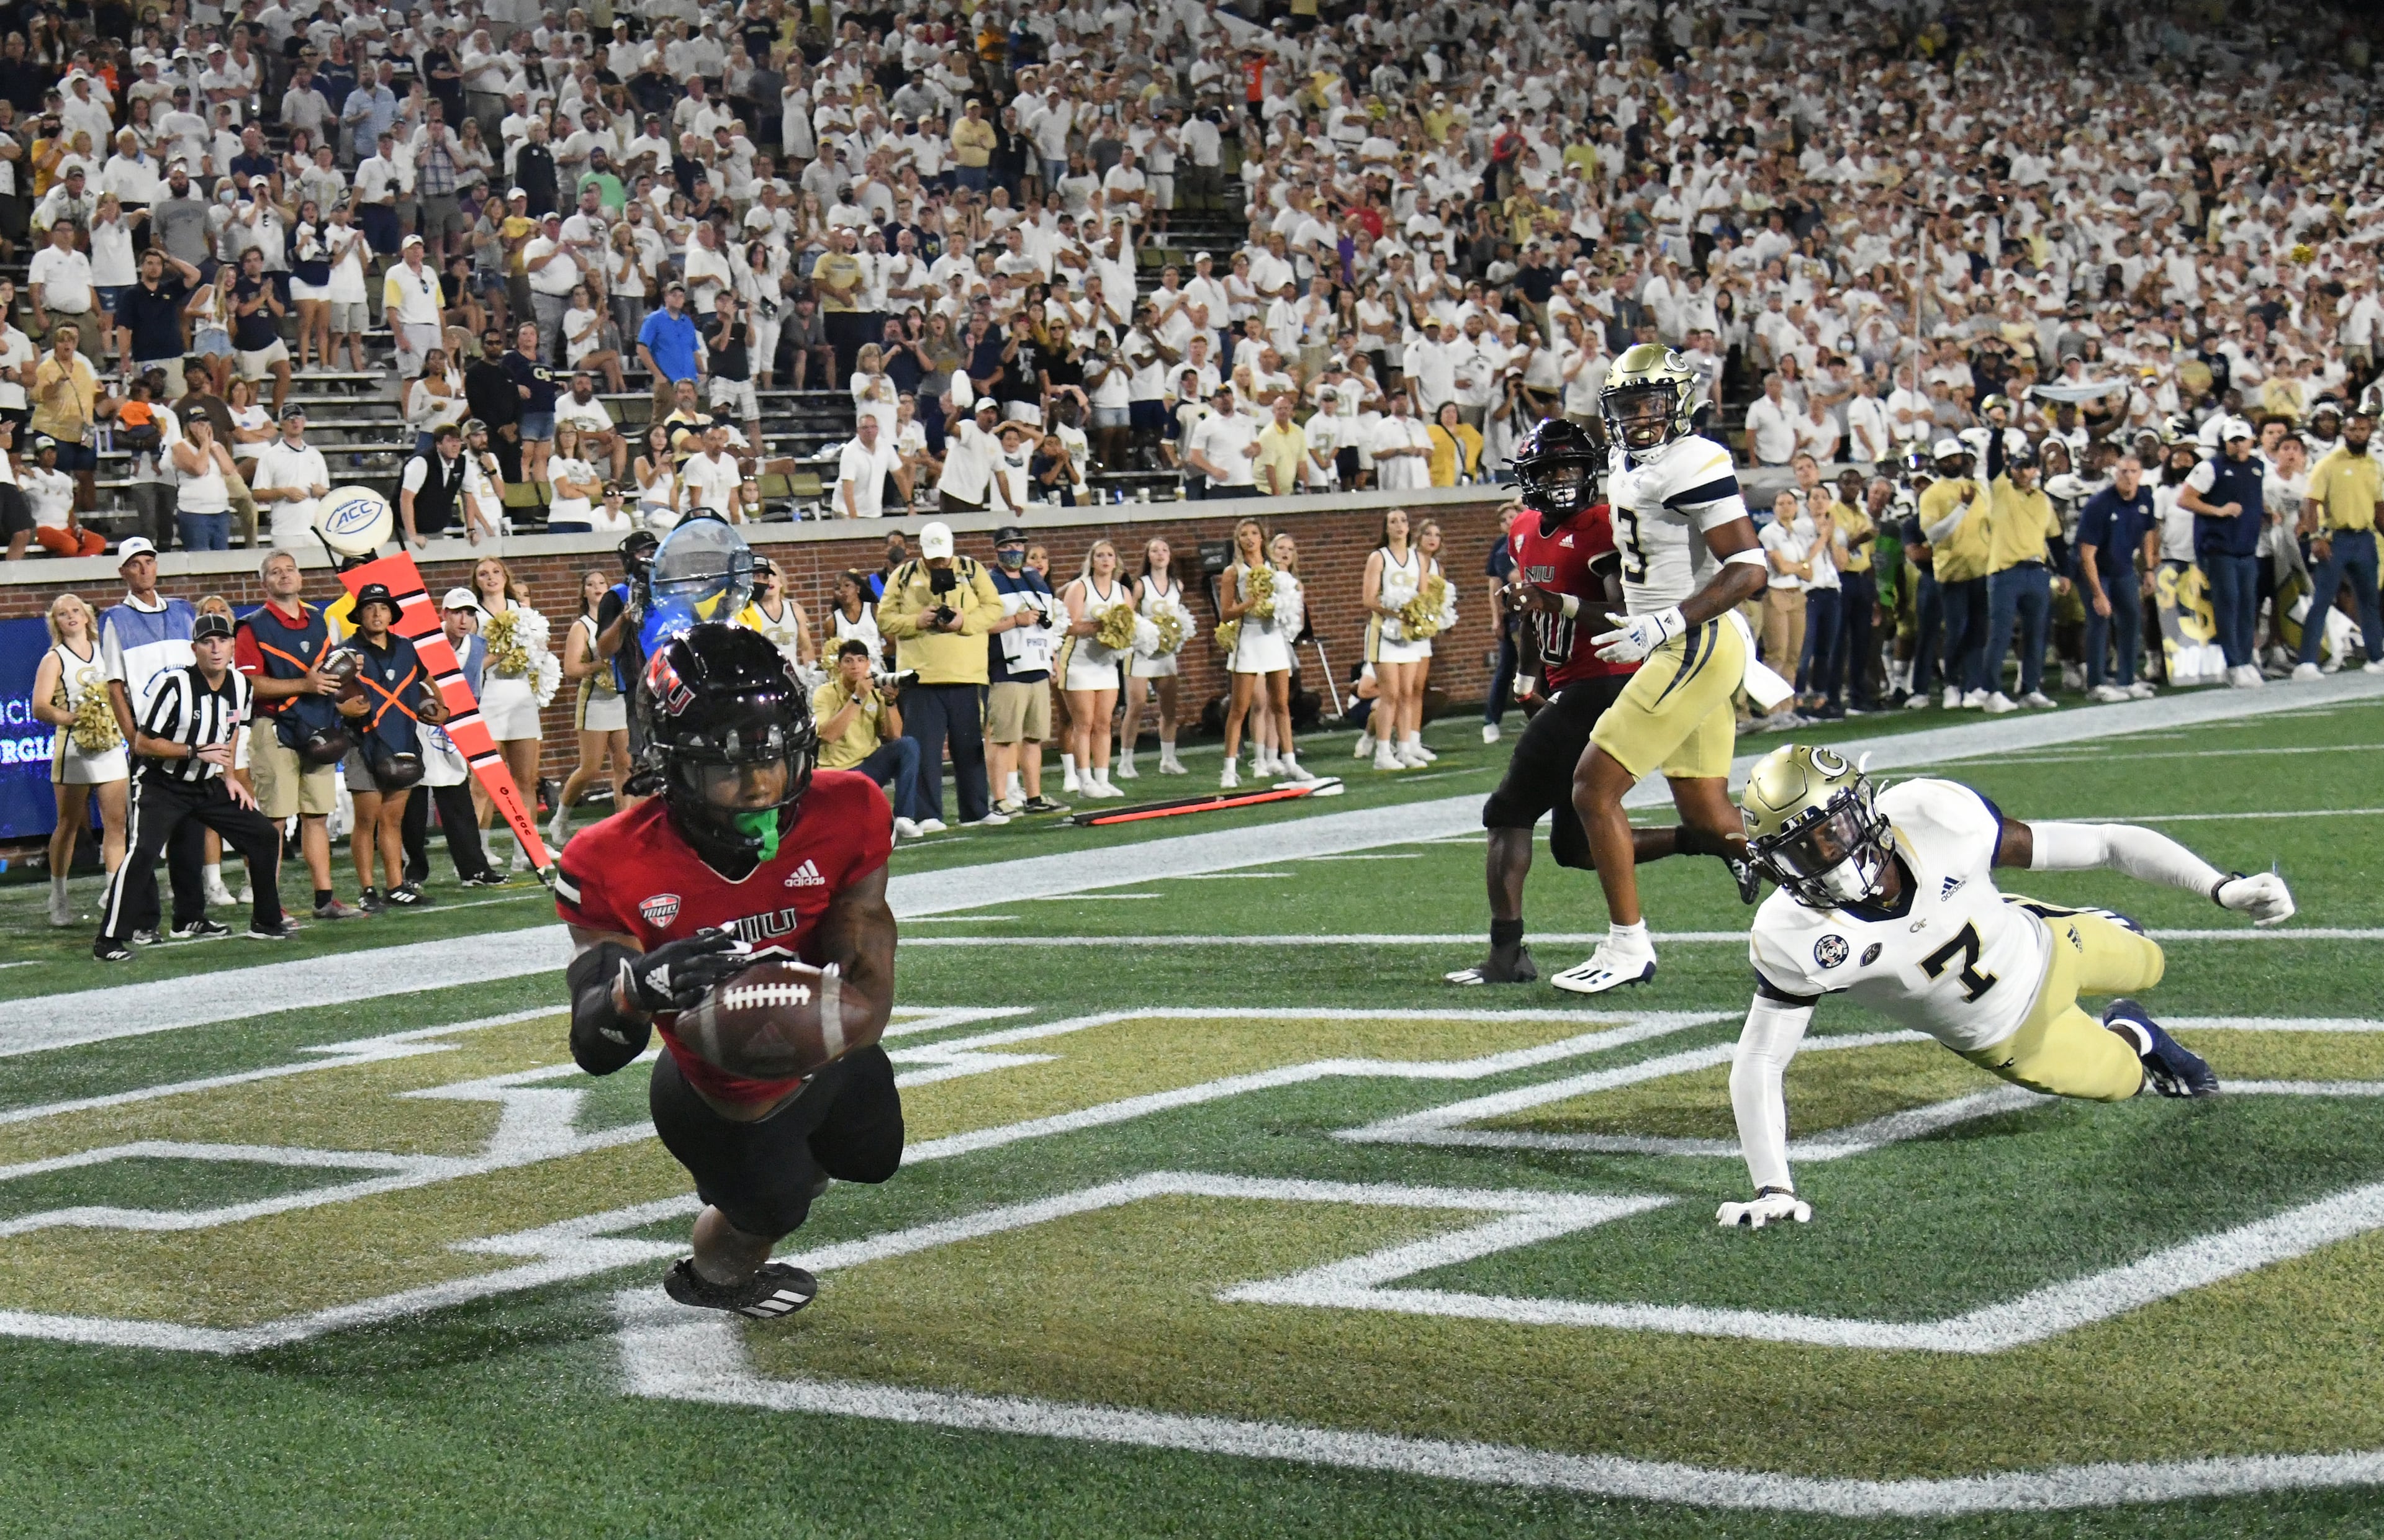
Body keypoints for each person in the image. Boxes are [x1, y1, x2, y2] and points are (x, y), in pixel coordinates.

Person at [1717, 744, 2295, 1227]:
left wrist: (2221, 887)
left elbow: (2106, 843)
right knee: (2124, 1081)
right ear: (1773, 863)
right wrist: (1774, 1188)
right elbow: (1761, 1058)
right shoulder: (1795, 935)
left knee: (2150, 961)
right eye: (1802, 848)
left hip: (2042, 942)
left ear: (1863, 806)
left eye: (1833, 830)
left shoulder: (1935, 818)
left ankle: (2082, 925)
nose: (1830, 856)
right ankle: (2133, 1031)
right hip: (2007, 1035)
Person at [556, 623, 903, 1320]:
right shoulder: (608, 859)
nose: (758, 783)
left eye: (774, 757)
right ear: (672, 765)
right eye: (727, 765)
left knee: (874, 1157)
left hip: (827, 1051)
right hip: (721, 1093)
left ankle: (784, 1166)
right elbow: (595, 1046)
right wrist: (635, 989)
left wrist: (833, 1017)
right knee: (771, 1211)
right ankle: (710, 1280)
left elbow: (867, 942)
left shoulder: (850, 808)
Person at [1557, 344, 1771, 996]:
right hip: (1670, 641)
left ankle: (1628, 946)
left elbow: (1751, 570)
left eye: (1652, 403)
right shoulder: (1625, 459)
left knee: (1593, 789)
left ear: (1680, 404)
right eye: (1626, 405)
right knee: (1710, 820)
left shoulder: (1696, 460)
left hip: (1695, 641)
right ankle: (1847, 897)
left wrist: (1665, 623)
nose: (1639, 418)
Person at [1446, 424, 1635, 984]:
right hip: (1566, 687)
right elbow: (1532, 610)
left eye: (1571, 468)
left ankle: (1507, 955)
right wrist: (1527, 677)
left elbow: (1626, 615)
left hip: (1607, 684)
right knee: (1574, 845)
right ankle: (1698, 838)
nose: (1561, 480)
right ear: (1529, 478)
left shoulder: (1602, 526)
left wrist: (1559, 602)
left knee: (1507, 809)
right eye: (1550, 470)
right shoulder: (1524, 530)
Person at [93, 610, 291, 958]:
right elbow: (142, 743)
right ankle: (109, 939)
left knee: (262, 835)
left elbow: (232, 732)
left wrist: (230, 777)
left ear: (233, 646)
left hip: (206, 785)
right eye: (207, 642)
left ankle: (265, 921)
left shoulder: (242, 686)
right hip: (161, 783)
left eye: (223, 641)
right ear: (194, 649)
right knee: (143, 853)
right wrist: (193, 750)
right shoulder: (175, 686)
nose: (216, 649)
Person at [233, 548, 363, 922]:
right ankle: (268, 906)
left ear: (301, 577)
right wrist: (304, 684)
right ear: (265, 583)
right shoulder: (251, 625)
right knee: (274, 821)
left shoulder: (320, 620)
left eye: (290, 569)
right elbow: (249, 684)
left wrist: (347, 686)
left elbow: (331, 675)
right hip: (274, 728)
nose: (285, 576)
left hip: (319, 724)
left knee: (317, 815)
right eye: (276, 572)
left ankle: (325, 898)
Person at [99, 537, 202, 942]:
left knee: (190, 834)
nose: (144, 569)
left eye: (149, 561)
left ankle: (189, 916)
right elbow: (115, 686)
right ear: (123, 572)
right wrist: (134, 739)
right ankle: (143, 921)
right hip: (152, 742)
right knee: (145, 840)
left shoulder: (184, 611)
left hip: (189, 738)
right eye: (135, 564)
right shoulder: (114, 619)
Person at [875, 520, 1002, 828]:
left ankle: (976, 810)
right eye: (933, 558)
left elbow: (994, 608)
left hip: (967, 675)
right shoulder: (903, 576)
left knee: (970, 747)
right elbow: (885, 618)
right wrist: (916, 621)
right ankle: (927, 814)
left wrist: (964, 622)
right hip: (921, 678)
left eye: (943, 557)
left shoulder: (972, 571)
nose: (939, 563)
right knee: (925, 751)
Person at [336, 582, 450, 912]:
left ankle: (396, 885)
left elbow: (427, 681)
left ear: (392, 614)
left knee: (393, 819)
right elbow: (330, 692)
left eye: (383, 607)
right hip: (364, 743)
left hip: (402, 740)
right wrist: (342, 709)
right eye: (370, 608)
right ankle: (367, 889)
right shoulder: (346, 652)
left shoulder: (406, 647)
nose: (377, 613)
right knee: (366, 820)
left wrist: (440, 708)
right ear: (358, 615)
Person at [400, 590, 505, 892]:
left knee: (459, 804)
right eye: (457, 612)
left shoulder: (477, 647)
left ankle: (474, 868)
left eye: (470, 613)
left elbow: (474, 693)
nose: (464, 619)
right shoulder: (421, 646)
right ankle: (414, 871)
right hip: (420, 729)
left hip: (454, 732)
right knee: (414, 808)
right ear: (443, 614)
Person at [31, 592, 127, 926]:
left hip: (112, 747)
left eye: (75, 611)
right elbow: (40, 706)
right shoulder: (54, 659)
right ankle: (58, 896)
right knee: (69, 825)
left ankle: (114, 894)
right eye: (61, 613)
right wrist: (76, 718)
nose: (70, 616)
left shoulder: (107, 652)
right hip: (74, 749)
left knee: (116, 825)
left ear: (87, 617)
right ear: (55, 623)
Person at [469, 555, 554, 873]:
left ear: (505, 576)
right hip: (488, 698)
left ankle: (526, 852)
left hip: (521, 698)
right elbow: (471, 665)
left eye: (495, 572)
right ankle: (478, 853)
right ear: (476, 581)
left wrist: (534, 654)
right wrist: (502, 654)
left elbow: (541, 655)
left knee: (526, 781)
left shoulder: (525, 613)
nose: (490, 578)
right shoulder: (473, 615)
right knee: (483, 783)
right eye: (483, 574)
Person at [1217, 516, 1310, 788]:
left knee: (1281, 704)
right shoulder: (1233, 572)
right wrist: (1250, 603)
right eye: (1244, 534)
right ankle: (1229, 770)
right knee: (1239, 708)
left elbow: (1289, 601)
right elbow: (1225, 613)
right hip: (1248, 639)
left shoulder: (1275, 569)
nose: (1249, 538)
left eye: (1254, 533)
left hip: (1274, 640)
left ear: (1262, 538)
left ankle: (1290, 763)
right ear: (1238, 541)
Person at [2293, 410, 2383, 680]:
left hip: (2364, 537)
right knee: (2322, 598)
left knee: (2369, 600)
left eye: (2363, 430)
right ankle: (2306, 662)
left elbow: (2379, 509)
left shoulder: (2373, 465)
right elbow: (2311, 502)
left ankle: (2377, 656)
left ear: (2370, 432)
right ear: (2345, 431)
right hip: (2336, 537)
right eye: (2354, 430)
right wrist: (2316, 536)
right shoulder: (2328, 464)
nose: (2358, 434)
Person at [983, 526, 1062, 816]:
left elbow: (1048, 624)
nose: (1014, 551)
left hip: (1037, 664)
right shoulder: (989, 582)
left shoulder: (1036, 579)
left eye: (1018, 545)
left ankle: (1034, 796)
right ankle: (1000, 798)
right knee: (1003, 737)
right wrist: (1016, 620)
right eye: (1008, 546)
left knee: (1033, 737)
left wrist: (1053, 658)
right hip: (1007, 667)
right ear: (997, 550)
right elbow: (981, 625)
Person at [551, 569, 631, 849]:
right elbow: (571, 668)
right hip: (594, 700)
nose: (597, 588)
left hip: (620, 699)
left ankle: (624, 823)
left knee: (625, 765)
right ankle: (560, 818)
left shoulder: (620, 619)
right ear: (583, 592)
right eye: (590, 584)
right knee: (590, 767)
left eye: (602, 583)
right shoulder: (581, 626)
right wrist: (601, 666)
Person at [813, 637, 923, 837]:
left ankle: (904, 818)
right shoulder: (825, 694)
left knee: (909, 745)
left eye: (860, 660)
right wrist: (857, 698)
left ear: (868, 664)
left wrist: (890, 703)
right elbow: (829, 735)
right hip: (838, 772)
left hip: (869, 767)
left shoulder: (875, 691)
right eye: (848, 661)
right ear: (839, 666)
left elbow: (895, 736)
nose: (855, 666)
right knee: (852, 829)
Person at [1057, 538, 1131, 799]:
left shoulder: (1123, 592)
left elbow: (1130, 626)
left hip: (1106, 664)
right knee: (1083, 723)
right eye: (1100, 555)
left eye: (1110, 555)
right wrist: (1102, 626)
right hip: (1078, 663)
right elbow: (1069, 625)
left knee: (1104, 723)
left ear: (1116, 561)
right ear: (1092, 560)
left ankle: (1103, 779)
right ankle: (1084, 780)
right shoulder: (1080, 587)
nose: (1105, 560)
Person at [1360, 507, 1433, 771]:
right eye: (1393, 522)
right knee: (1389, 694)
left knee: (1406, 693)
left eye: (1403, 520)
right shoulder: (1378, 558)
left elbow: (1423, 596)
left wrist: (1417, 615)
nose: (1400, 525)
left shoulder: (1418, 559)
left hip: (1409, 636)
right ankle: (1382, 753)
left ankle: (1404, 750)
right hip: (1384, 633)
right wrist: (1396, 611)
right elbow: (1368, 599)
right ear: (1386, 528)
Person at [1120, 536, 1190, 778]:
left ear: (1170, 556)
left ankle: (1168, 759)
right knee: (1136, 705)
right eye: (1154, 551)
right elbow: (1128, 616)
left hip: (1166, 654)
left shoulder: (1177, 585)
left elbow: (1179, 617)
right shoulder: (1140, 585)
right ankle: (1126, 762)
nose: (1160, 554)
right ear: (1148, 556)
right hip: (1141, 652)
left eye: (1164, 550)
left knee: (1169, 708)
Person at [248, 405, 329, 553]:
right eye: (290, 419)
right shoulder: (270, 455)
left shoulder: (315, 456)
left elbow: (327, 495)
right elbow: (257, 494)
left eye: (298, 418)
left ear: (304, 421)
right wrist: (284, 492)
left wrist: (321, 492)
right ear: (282, 424)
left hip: (315, 530)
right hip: (285, 531)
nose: (295, 422)